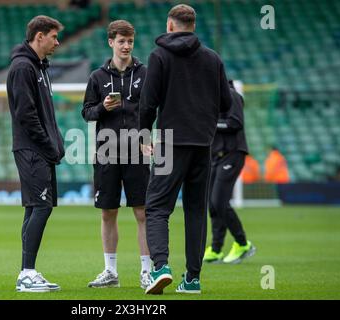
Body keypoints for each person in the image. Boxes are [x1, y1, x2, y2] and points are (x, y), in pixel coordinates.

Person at [139, 4, 232, 294]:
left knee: (156, 207)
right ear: (192, 25)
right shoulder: (212, 59)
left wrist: (144, 136)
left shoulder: (159, 56)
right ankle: (192, 279)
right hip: (203, 143)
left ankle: (161, 267)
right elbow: (227, 104)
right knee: (195, 210)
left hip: (168, 141)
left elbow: (148, 103)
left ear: (170, 25)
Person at [82, 20, 152, 289]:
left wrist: (146, 138)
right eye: (121, 41)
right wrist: (103, 107)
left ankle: (146, 271)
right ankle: (110, 271)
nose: (126, 46)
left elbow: (151, 109)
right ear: (110, 42)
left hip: (137, 152)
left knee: (143, 212)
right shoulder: (97, 77)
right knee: (107, 213)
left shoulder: (145, 74)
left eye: (130, 41)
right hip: (106, 153)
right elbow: (87, 113)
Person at [7, 15, 65, 292]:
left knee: (35, 207)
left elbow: (45, 114)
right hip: (31, 149)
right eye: (54, 36)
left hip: (38, 149)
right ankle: (26, 274)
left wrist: (58, 141)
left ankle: (27, 272)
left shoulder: (39, 67)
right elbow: (26, 115)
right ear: (39, 36)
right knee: (40, 207)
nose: (58, 42)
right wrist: (48, 144)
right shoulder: (22, 68)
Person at [203, 80, 256, 264]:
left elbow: (235, 122)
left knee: (219, 202)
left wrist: (210, 123)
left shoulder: (231, 95)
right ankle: (216, 249)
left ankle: (242, 244)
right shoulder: (211, 98)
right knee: (212, 203)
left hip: (232, 154)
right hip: (216, 156)